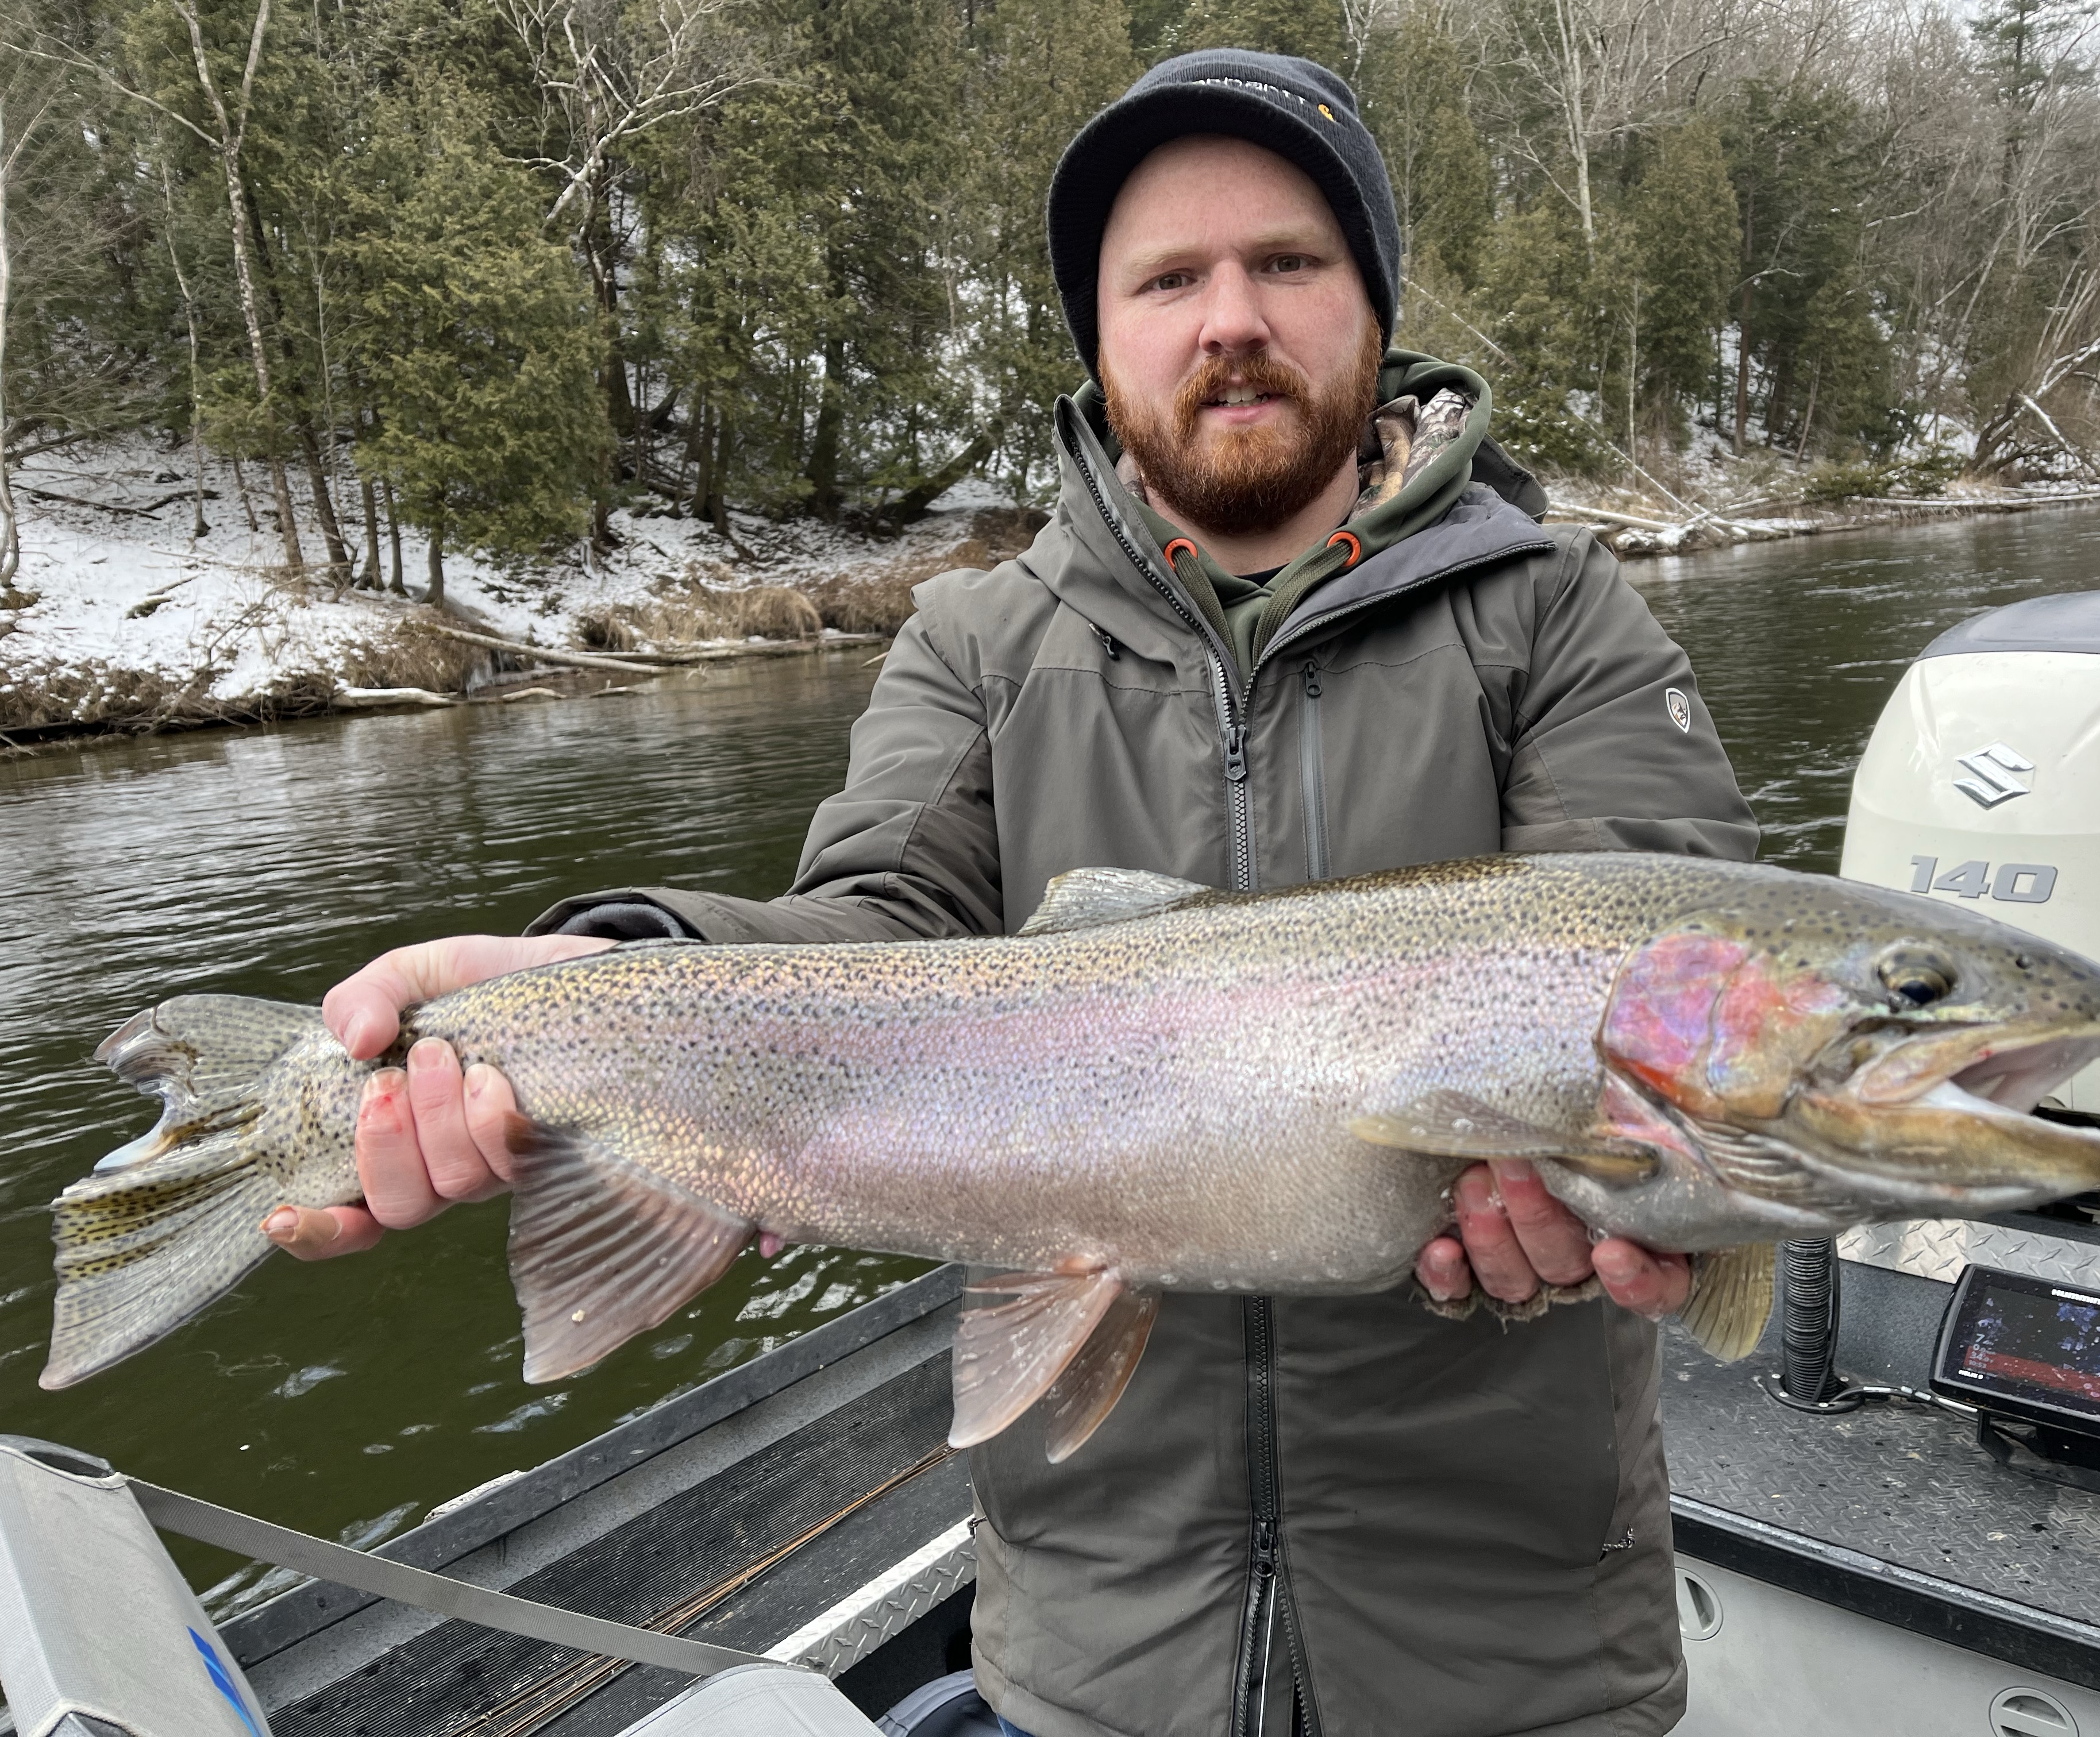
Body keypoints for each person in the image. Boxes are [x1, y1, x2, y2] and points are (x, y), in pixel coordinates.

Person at [277, 49, 1757, 1737]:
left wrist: (1664, 1194)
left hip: (1517, 1652)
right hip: (1093, 1656)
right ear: (1099, 336)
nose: (1231, 319)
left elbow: (1663, 953)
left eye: (1287, 261)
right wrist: (616, 970)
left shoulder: (1557, 611)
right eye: (1167, 280)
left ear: (1373, 307)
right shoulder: (975, 642)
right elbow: (876, 934)